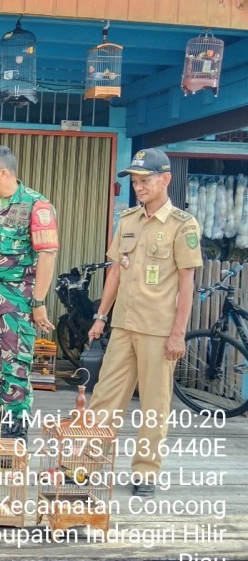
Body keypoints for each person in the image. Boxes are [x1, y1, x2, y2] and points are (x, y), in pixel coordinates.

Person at [88, 148, 202, 499]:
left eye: (145, 180)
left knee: (155, 404)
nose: (139, 186)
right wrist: (101, 316)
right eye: (135, 181)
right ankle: (88, 464)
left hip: (158, 331)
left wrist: (178, 335)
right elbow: (115, 273)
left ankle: (145, 471)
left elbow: (186, 284)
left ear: (165, 179)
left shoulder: (183, 225)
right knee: (104, 398)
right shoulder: (128, 221)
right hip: (123, 325)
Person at [0, 145, 59, 442]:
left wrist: (38, 302)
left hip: (17, 303)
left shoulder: (37, 206)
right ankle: (1, 424)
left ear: (3, 172)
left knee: (15, 366)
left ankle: (16, 431)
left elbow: (47, 255)